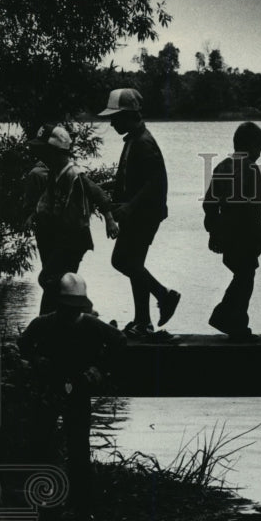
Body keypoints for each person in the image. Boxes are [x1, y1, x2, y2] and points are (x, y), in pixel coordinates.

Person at [18, 273, 126, 509]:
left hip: (78, 390)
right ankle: (36, 499)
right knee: (39, 444)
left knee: (79, 447)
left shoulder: (91, 325)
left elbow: (119, 341)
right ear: (58, 305)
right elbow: (23, 345)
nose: (71, 313)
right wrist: (37, 360)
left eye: (75, 308)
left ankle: (81, 503)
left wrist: (100, 368)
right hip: (49, 390)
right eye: (68, 308)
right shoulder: (42, 324)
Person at [99, 88, 180, 337]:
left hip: (145, 215)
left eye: (116, 117)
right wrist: (105, 188)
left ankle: (164, 295)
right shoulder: (135, 139)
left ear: (129, 115)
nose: (112, 122)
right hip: (139, 214)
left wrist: (130, 206)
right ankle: (143, 321)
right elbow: (130, 179)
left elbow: (155, 182)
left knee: (122, 261)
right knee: (135, 265)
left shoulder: (143, 142)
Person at [23, 124, 119, 314]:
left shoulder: (73, 174)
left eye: (44, 151)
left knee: (48, 278)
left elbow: (98, 193)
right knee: (58, 279)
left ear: (55, 152)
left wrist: (109, 219)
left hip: (75, 238)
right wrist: (33, 216)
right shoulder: (54, 173)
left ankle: (84, 308)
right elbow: (47, 201)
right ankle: (54, 318)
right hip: (64, 237)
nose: (41, 156)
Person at [202, 121, 261, 341]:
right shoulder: (251, 169)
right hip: (245, 235)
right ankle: (232, 322)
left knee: (242, 276)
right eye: (260, 148)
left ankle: (231, 321)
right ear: (251, 146)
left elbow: (209, 204)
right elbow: (252, 211)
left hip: (227, 233)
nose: (260, 153)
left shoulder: (222, 166)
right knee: (246, 278)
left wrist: (214, 232)